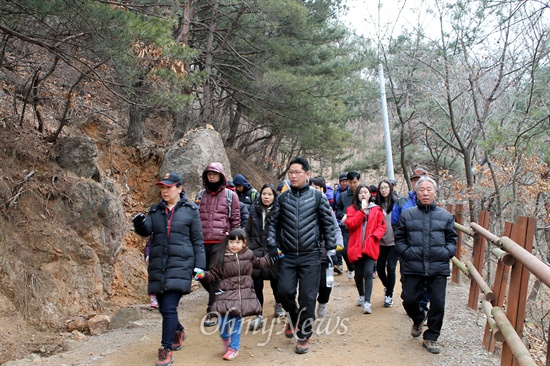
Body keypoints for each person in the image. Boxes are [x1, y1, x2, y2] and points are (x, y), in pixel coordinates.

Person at [132, 172, 206, 366]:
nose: (165, 191)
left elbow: (198, 241)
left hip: (181, 264)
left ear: (179, 189)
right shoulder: (155, 210)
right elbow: (146, 230)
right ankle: (178, 330)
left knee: (169, 306)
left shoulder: (191, 210)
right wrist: (139, 223)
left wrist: (199, 266)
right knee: (164, 308)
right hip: (159, 264)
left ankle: (165, 349)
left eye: (169, 187)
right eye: (162, 188)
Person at [266, 156, 336, 354]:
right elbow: (272, 223)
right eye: (291, 172)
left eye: (297, 172)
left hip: (310, 255)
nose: (293, 175)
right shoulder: (282, 198)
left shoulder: (317, 197)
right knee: (284, 292)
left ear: (307, 174)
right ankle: (293, 317)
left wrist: (330, 247)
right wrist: (272, 244)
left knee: (307, 297)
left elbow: (328, 224)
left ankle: (304, 335)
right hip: (287, 255)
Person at [394, 176, 457, 354]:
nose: (426, 193)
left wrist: (446, 253)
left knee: (438, 303)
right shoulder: (408, 214)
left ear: (435, 192)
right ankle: (419, 317)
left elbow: (452, 239)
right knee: (409, 299)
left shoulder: (444, 216)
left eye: (429, 189)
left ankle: (431, 337)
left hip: (438, 266)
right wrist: (406, 252)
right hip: (413, 265)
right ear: (416, 192)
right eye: (422, 189)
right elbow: (399, 238)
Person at [198, 228, 274, 361]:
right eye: (231, 241)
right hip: (225, 296)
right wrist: (203, 275)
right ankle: (226, 339)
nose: (234, 245)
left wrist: (273, 257)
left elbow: (260, 263)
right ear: (227, 242)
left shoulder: (249, 255)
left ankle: (234, 348)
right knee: (222, 324)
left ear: (244, 243)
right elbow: (214, 274)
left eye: (238, 242)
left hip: (241, 297)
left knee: (236, 323)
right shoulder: (221, 257)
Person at [197, 162, 241, 327]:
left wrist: (235, 242)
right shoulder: (201, 195)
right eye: (209, 175)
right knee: (200, 274)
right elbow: (196, 218)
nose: (212, 177)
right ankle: (222, 296)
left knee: (214, 276)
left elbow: (235, 220)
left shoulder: (231, 196)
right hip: (202, 241)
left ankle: (213, 311)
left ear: (221, 176)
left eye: (214, 174)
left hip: (220, 241)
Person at [245, 183, 284, 330]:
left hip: (273, 252)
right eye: (264, 194)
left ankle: (278, 303)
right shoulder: (254, 210)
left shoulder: (279, 212)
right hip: (256, 253)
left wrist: (277, 249)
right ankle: (258, 314)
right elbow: (247, 231)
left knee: (276, 283)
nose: (266, 197)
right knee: (256, 284)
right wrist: (250, 247)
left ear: (274, 196)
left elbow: (282, 233)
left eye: (269, 194)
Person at [391, 168, 430, 313]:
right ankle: (411, 302)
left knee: (427, 278)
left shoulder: (431, 201)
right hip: (408, 249)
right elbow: (395, 223)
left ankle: (422, 306)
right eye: (414, 180)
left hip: (427, 248)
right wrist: (403, 245)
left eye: (419, 179)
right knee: (407, 278)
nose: (416, 182)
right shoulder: (402, 202)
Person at [344, 184, 386, 314]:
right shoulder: (351, 209)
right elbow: (351, 225)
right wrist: (362, 212)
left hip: (370, 245)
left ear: (370, 195)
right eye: (360, 192)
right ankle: (361, 295)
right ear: (357, 195)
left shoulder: (377, 209)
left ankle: (367, 302)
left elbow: (382, 226)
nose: (363, 194)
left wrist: (375, 237)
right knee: (358, 274)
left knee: (368, 273)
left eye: (365, 192)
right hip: (356, 246)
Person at [309, 176, 343, 318]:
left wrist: (338, 245)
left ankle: (323, 301)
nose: (314, 191)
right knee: (309, 286)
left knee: (325, 285)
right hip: (309, 252)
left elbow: (336, 228)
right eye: (312, 188)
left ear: (323, 190)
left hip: (326, 253)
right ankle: (308, 311)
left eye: (317, 188)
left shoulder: (328, 210)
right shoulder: (304, 208)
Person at [374, 179, 398, 308]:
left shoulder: (397, 204)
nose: (384, 190)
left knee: (392, 268)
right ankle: (387, 285)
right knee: (380, 268)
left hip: (394, 241)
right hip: (381, 241)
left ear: (390, 189)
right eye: (381, 188)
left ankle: (389, 295)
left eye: (386, 187)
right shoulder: (376, 205)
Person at [335, 170, 361, 280]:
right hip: (346, 227)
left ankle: (360, 272)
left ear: (359, 181)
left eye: (355, 182)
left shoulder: (363, 194)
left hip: (360, 228)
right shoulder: (343, 196)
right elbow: (338, 208)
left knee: (360, 251)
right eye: (351, 182)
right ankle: (351, 267)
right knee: (345, 249)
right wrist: (342, 216)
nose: (353, 185)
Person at [332, 173, 349, 274]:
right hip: (338, 221)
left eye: (346, 181)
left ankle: (350, 265)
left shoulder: (350, 193)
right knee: (338, 243)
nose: (344, 183)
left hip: (349, 223)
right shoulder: (336, 193)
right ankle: (339, 263)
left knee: (346, 246)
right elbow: (334, 206)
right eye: (342, 181)